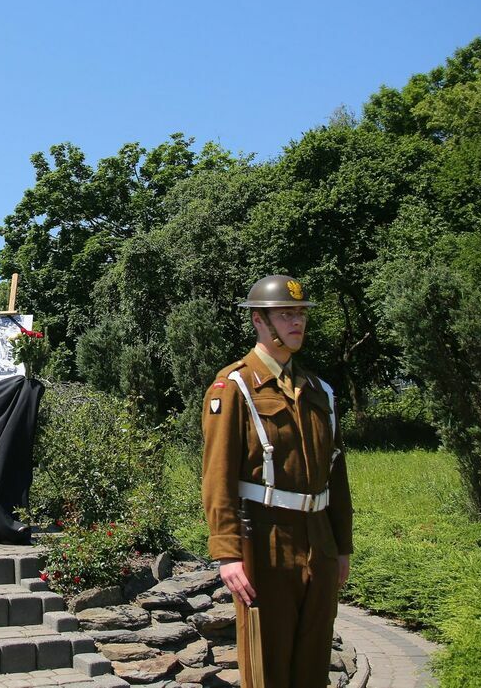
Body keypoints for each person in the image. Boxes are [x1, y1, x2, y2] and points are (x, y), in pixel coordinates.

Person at [201, 275, 353, 688]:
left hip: (318, 539)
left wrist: (342, 546)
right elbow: (217, 477)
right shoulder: (234, 387)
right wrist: (228, 554)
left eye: (300, 314)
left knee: (313, 662)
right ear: (259, 321)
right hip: (264, 539)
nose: (297, 322)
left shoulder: (321, 391)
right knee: (268, 664)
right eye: (285, 314)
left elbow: (335, 474)